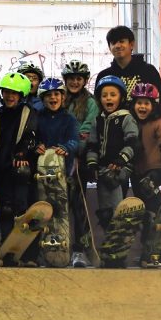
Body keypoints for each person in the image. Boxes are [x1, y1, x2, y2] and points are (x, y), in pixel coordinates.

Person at [0, 72, 38, 266]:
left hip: (21, 171)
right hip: (1, 171)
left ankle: (27, 253)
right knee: (5, 210)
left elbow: (31, 136)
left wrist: (22, 154)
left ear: (22, 95)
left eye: (14, 93)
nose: (9, 96)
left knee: (22, 211)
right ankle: (8, 251)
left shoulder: (29, 112)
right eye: (6, 92)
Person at [85, 75, 139, 265]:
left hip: (120, 168)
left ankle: (119, 251)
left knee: (117, 209)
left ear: (121, 97)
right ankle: (111, 248)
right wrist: (91, 163)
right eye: (104, 95)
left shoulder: (126, 118)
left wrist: (121, 159)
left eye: (113, 95)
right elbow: (92, 145)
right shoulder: (98, 120)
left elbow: (133, 142)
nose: (108, 98)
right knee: (105, 210)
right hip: (103, 169)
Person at [128, 83, 161, 264]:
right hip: (138, 172)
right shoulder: (131, 122)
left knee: (147, 187)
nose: (142, 107)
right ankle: (147, 251)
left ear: (154, 105)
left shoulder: (159, 123)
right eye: (139, 103)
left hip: (157, 169)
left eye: (146, 103)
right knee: (145, 213)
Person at [34, 77, 79, 267]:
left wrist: (67, 147)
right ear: (42, 99)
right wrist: (36, 146)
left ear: (62, 96)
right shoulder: (37, 117)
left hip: (62, 171)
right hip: (42, 172)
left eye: (56, 94)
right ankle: (40, 252)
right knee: (43, 208)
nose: (53, 98)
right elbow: (33, 138)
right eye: (48, 95)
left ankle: (66, 248)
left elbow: (75, 140)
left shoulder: (69, 118)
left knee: (62, 211)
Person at [61, 59, 100, 267]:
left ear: (84, 80)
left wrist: (74, 147)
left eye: (78, 79)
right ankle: (57, 247)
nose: (74, 82)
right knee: (59, 204)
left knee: (78, 205)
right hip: (58, 159)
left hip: (79, 160)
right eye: (71, 78)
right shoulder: (59, 98)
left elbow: (87, 129)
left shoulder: (91, 102)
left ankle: (80, 249)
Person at [95, 25, 161, 127]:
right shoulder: (104, 76)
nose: (117, 45)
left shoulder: (149, 71)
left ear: (131, 44)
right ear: (109, 48)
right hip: (115, 133)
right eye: (113, 43)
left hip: (145, 131)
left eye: (122, 41)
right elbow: (98, 108)